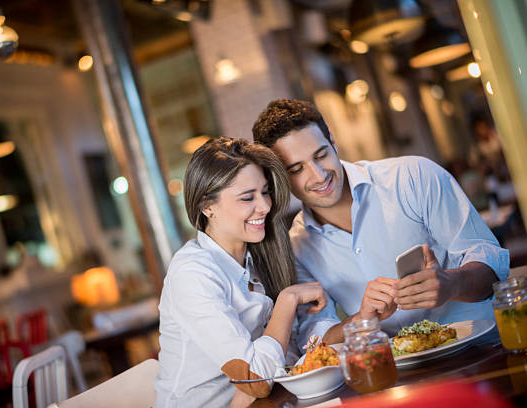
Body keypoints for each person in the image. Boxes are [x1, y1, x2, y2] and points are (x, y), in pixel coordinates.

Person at [252, 99, 509, 348]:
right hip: (401, 377)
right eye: (296, 170)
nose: (318, 176)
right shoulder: (298, 247)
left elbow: (493, 266)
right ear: (278, 178)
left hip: (480, 348)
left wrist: (453, 283)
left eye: (321, 155)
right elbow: (315, 337)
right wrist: (362, 319)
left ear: (332, 139)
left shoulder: (413, 177)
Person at [154, 137, 327, 407]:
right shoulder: (192, 274)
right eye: (248, 197)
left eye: (265, 192)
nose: (265, 207)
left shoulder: (257, 257)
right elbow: (255, 380)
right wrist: (288, 299)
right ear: (206, 206)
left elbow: (283, 356)